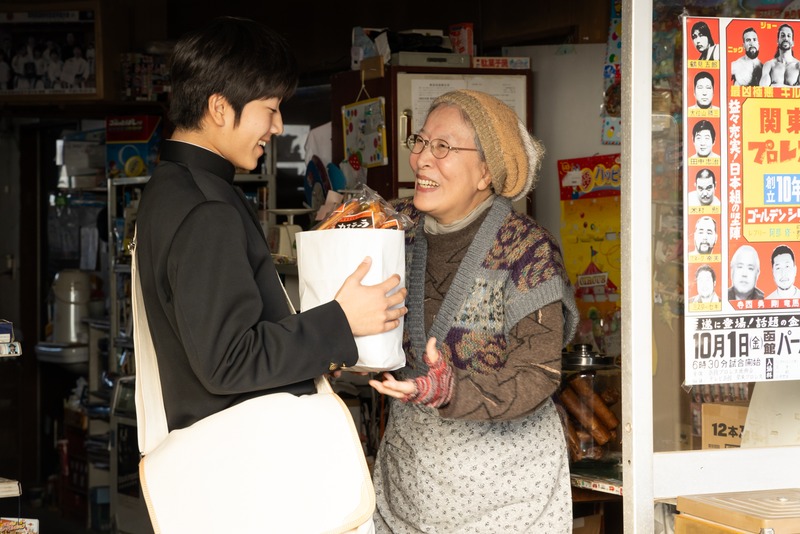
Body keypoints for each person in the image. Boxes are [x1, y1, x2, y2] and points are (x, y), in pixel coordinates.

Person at [135, 16, 407, 447]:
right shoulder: (207, 208)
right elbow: (228, 361)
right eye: (270, 108)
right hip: (241, 452)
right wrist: (341, 320)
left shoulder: (170, 187)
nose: (278, 126)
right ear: (220, 107)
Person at [368, 90, 579, 532]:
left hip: (508, 496)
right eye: (421, 142)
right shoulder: (392, 231)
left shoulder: (527, 250)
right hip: (410, 485)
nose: (422, 159)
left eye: (443, 147)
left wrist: (450, 388)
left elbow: (538, 374)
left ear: (486, 171)